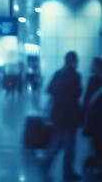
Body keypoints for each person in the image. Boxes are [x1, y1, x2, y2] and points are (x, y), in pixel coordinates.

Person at [43, 51, 82, 181]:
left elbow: (49, 90)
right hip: (70, 116)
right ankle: (68, 171)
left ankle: (46, 165)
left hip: (58, 114)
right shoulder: (76, 76)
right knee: (69, 147)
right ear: (73, 61)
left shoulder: (58, 74)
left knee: (55, 143)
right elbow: (77, 94)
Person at [83, 57, 102, 176]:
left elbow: (87, 100)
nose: (91, 67)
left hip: (95, 118)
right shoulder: (92, 80)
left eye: (92, 65)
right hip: (96, 119)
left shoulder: (92, 80)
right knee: (96, 143)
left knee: (97, 143)